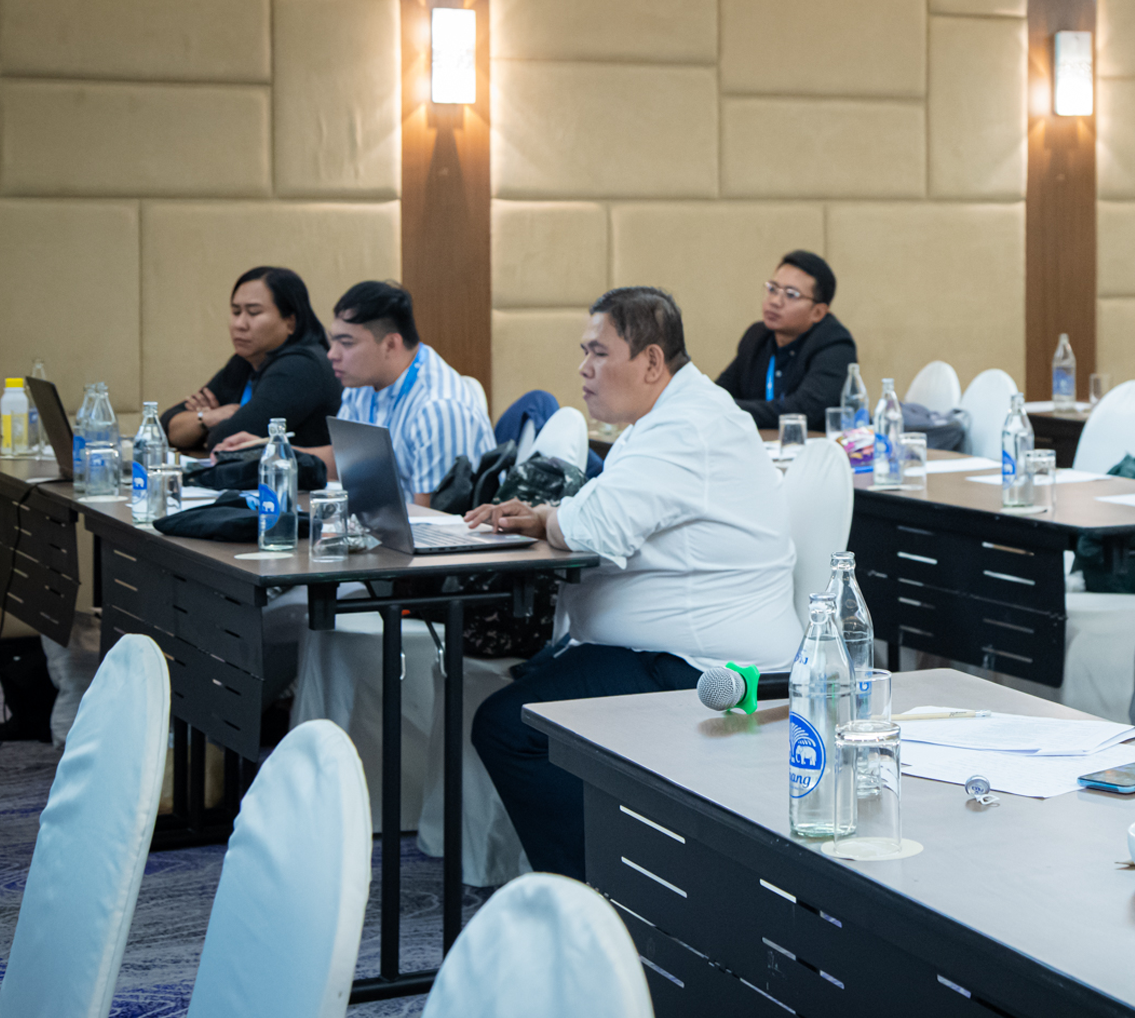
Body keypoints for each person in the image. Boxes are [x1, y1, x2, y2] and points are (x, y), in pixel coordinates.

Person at [467, 286, 801, 879]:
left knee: (508, 728)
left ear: (650, 361)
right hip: (672, 651)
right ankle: (612, 878)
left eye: (598, 353)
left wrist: (550, 519)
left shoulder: (687, 427)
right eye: (584, 352)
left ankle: (602, 896)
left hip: (705, 669)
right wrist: (549, 517)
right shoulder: (671, 418)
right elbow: (599, 509)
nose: (584, 368)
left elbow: (597, 527)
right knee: (528, 689)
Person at [309, 280, 495, 502]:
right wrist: (278, 453)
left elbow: (434, 516)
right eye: (333, 341)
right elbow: (344, 460)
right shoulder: (361, 384)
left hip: (431, 523)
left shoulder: (439, 409)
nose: (332, 354)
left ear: (390, 344)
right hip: (378, 519)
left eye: (346, 343)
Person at [160, 266, 341, 450]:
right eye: (236, 312)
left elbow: (225, 440)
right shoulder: (244, 363)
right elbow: (164, 429)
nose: (240, 324)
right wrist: (208, 418)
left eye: (254, 312)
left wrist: (203, 430)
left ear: (290, 322)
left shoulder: (301, 366)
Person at [713, 250, 857, 429]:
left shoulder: (835, 345)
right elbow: (719, 392)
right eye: (772, 289)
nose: (775, 301)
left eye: (791, 294)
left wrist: (726, 409)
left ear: (818, 312)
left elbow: (802, 411)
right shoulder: (756, 337)